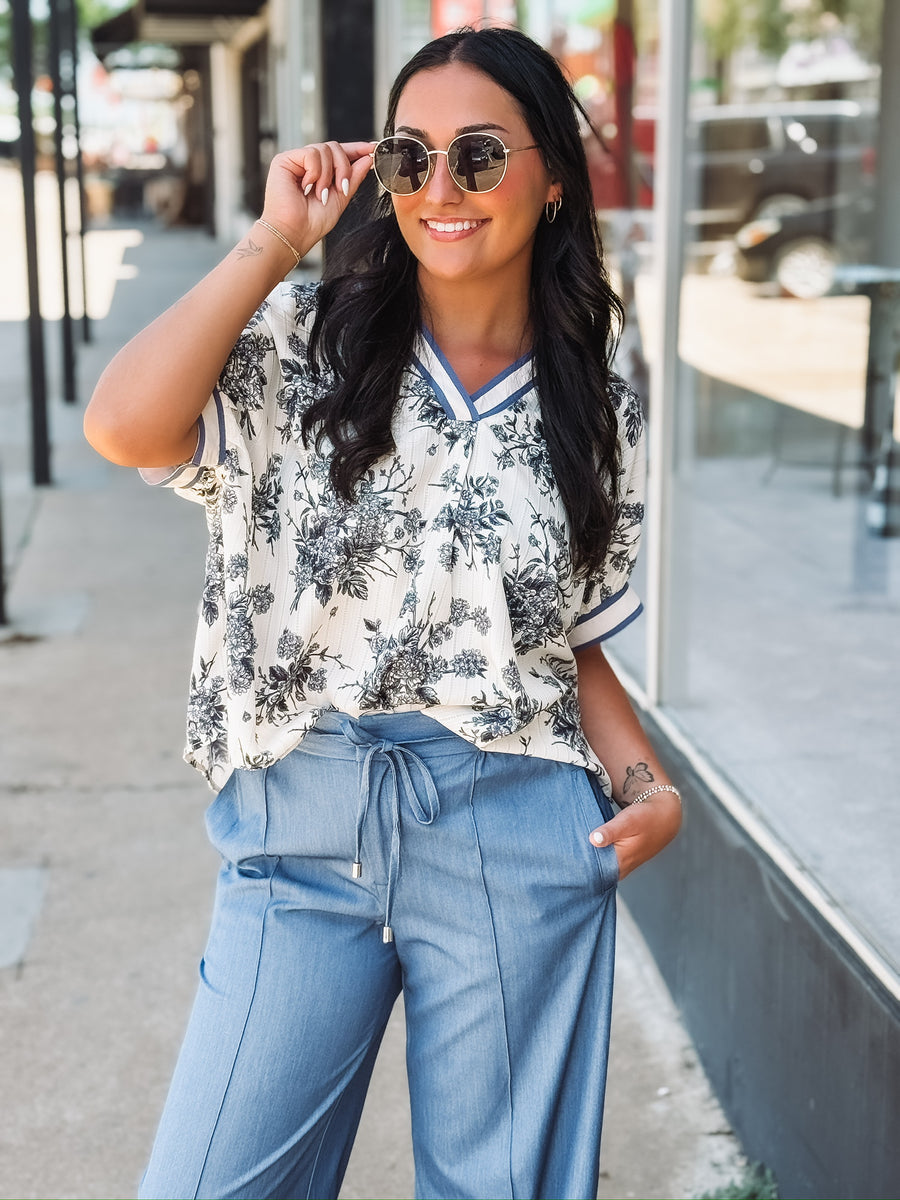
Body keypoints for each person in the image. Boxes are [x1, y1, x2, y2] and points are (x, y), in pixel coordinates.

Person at [84, 25, 681, 1200]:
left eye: (479, 155)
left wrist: (648, 786)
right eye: (411, 157)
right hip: (302, 823)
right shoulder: (302, 338)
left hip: (515, 826)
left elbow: (563, 643)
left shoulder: (599, 401)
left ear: (553, 180)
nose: (440, 189)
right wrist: (274, 240)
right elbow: (123, 425)